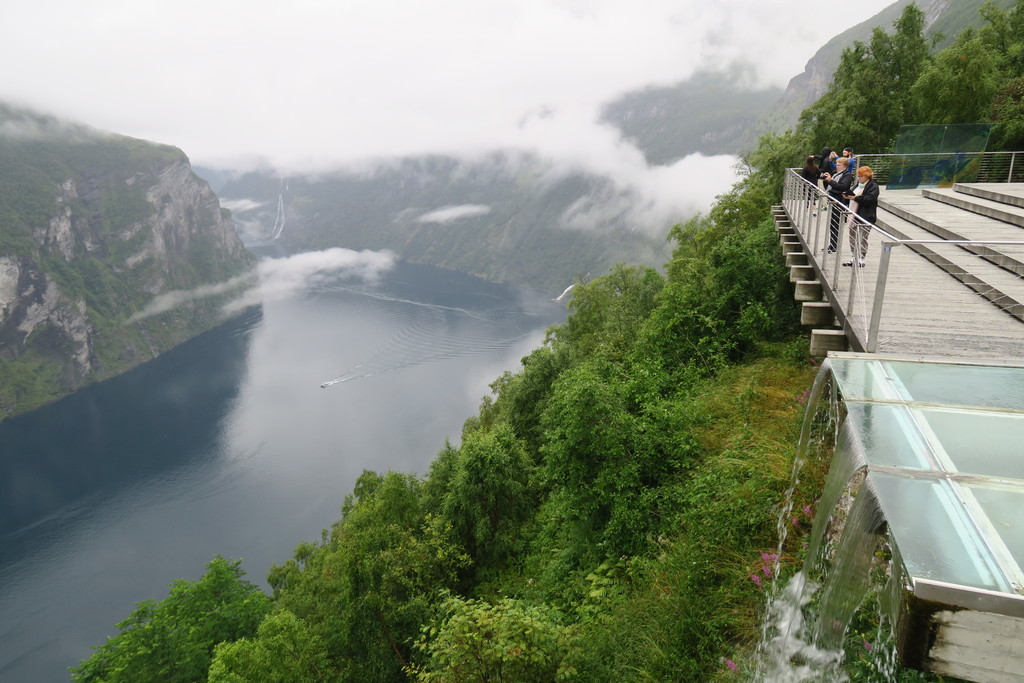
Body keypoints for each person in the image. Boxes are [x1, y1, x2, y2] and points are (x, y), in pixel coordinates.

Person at [843, 165, 879, 267]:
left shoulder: (873, 186)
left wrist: (855, 198)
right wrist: (847, 196)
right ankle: (853, 256)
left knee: (862, 237)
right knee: (852, 236)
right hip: (853, 215)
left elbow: (869, 199)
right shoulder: (858, 185)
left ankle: (861, 258)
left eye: (861, 176)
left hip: (865, 215)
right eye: (858, 176)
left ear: (867, 176)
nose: (859, 178)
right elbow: (853, 197)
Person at [821, 156, 855, 253]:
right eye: (837, 164)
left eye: (839, 165)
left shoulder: (847, 175)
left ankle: (835, 245)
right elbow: (832, 185)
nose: (837, 166)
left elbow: (842, 187)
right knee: (832, 224)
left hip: (840, 201)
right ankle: (832, 244)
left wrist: (830, 181)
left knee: (836, 224)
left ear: (845, 166)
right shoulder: (836, 174)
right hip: (833, 200)